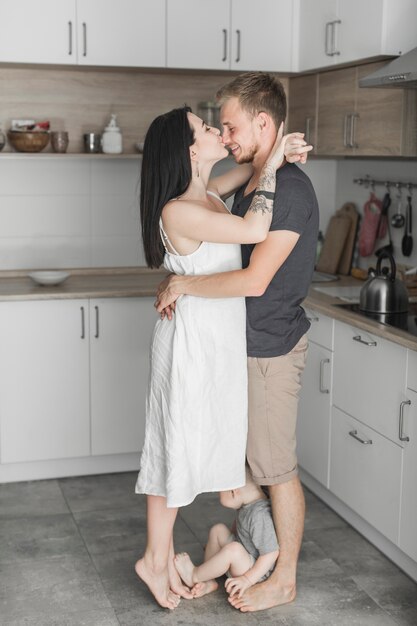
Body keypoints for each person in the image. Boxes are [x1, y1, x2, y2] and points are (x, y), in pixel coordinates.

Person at [134, 104, 310, 610]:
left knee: (185, 449)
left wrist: (280, 151)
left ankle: (161, 558)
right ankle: (155, 557)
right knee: (173, 448)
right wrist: (273, 164)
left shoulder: (210, 194)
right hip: (190, 347)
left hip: (214, 346)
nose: (218, 132)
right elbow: (256, 230)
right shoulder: (178, 209)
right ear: (189, 149)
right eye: (207, 128)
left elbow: (252, 170)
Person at [174, 467, 279, 600]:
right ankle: (208, 580)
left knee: (233, 550)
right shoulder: (247, 504)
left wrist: (247, 580)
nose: (218, 495)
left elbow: (271, 553)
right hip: (244, 558)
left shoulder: (259, 515)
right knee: (218, 530)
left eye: (220, 491)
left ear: (234, 491)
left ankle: (194, 575)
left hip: (255, 572)